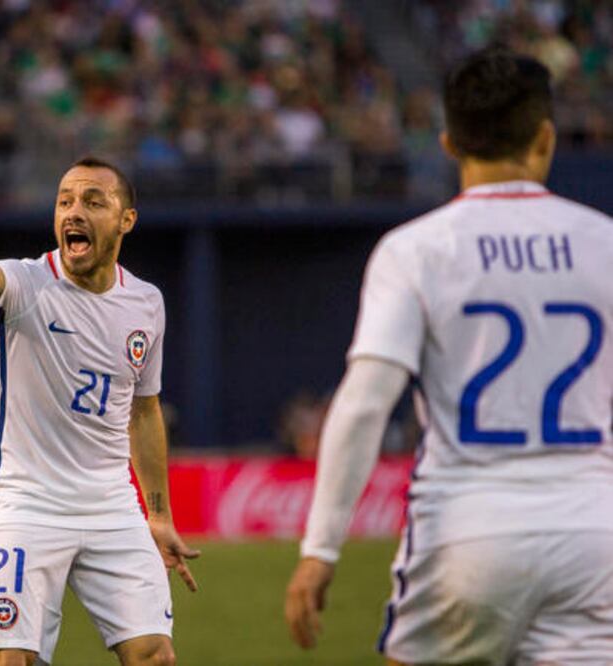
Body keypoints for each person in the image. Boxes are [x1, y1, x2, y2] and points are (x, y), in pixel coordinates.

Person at [284, 47, 613, 665]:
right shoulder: (606, 244)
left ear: (448, 144)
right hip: (594, 532)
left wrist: (320, 549)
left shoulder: (415, 251)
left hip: (467, 530)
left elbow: (363, 406)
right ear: (545, 139)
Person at [0, 156, 198, 666]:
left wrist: (158, 515)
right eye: (65, 200)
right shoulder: (27, 286)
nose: (74, 211)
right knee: (7, 660)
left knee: (154, 655)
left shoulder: (147, 303)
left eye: (93, 201)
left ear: (125, 220)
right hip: (29, 504)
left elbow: (144, 410)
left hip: (112, 505)